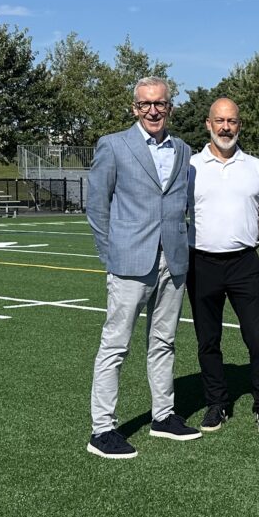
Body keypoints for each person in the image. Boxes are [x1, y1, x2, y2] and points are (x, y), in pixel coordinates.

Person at [84, 77, 199, 459]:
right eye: (145, 104)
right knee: (116, 345)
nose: (153, 110)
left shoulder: (182, 149)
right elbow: (97, 206)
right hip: (130, 262)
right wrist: (111, 255)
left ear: (170, 108)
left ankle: (163, 416)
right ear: (135, 108)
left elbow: (181, 205)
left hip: (173, 261)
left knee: (164, 342)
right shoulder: (114, 145)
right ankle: (102, 429)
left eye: (160, 103)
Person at [188, 97, 259, 434]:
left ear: (239, 125)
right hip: (201, 264)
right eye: (220, 121)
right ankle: (216, 403)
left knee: (257, 338)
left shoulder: (257, 167)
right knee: (208, 340)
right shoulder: (190, 167)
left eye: (232, 121)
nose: (226, 127)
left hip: (244, 263)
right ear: (208, 124)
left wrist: (243, 240)